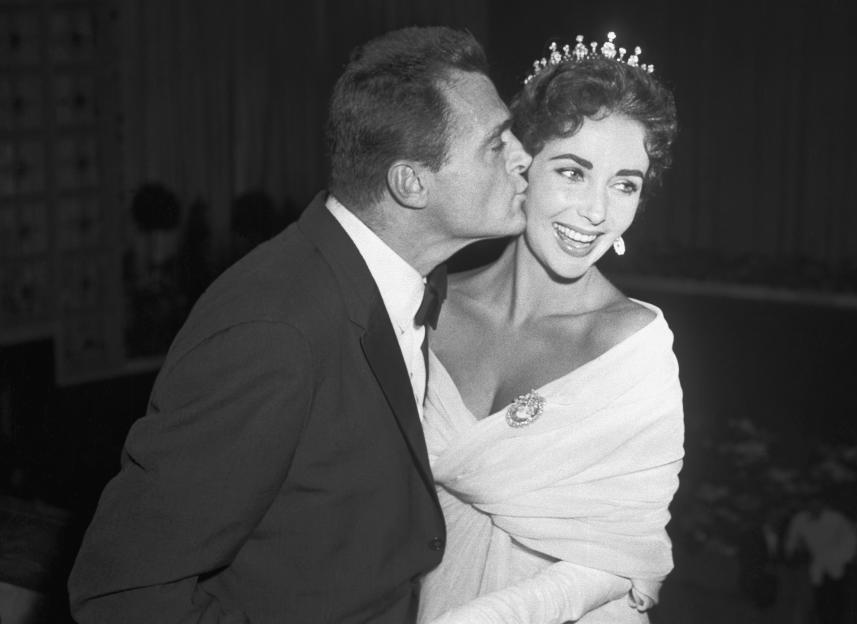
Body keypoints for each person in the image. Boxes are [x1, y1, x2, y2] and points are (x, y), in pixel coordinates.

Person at [68, 26, 530, 624]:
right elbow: (121, 596)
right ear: (411, 182)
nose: (523, 154)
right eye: (496, 144)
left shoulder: (409, 284)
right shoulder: (273, 330)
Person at [417, 33, 684, 623]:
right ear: (523, 165)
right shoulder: (427, 306)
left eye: (624, 184)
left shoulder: (633, 349)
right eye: (573, 171)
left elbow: (618, 560)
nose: (597, 211)